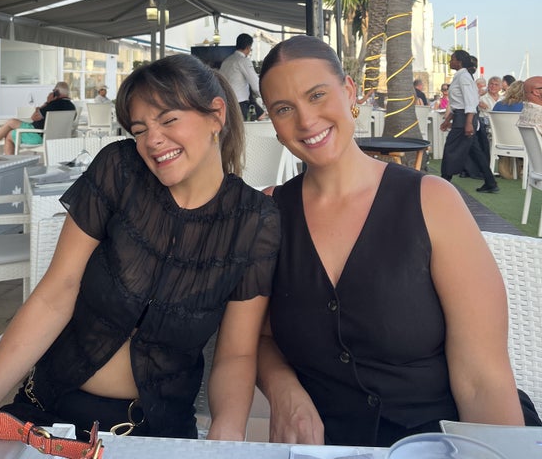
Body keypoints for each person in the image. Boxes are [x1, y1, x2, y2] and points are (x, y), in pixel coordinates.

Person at [0, 55, 280, 440]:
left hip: (153, 432)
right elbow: (56, 293)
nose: (152, 140)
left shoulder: (254, 220)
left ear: (216, 115)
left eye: (168, 120)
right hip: (48, 409)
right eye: (140, 129)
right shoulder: (121, 169)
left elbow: (236, 354)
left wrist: (224, 439)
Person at [255, 35, 532, 449]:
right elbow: (257, 338)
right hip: (331, 446)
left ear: (350, 91)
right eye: (283, 108)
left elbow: (483, 380)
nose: (306, 120)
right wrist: (283, 390)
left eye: (317, 95)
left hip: (447, 441)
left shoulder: (432, 201)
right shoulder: (269, 214)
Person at [440, 50, 499, 193]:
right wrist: (448, 119)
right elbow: (459, 103)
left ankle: (443, 182)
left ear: (459, 61)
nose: (450, 61)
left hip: (465, 119)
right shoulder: (461, 76)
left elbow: (470, 101)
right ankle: (490, 182)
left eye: (452, 59)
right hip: (461, 117)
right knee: (475, 151)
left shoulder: (464, 77)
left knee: (450, 149)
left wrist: (468, 122)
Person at [0, 81, 76, 155]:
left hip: (38, 136)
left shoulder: (52, 105)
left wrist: (47, 102)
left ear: (56, 93)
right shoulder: (72, 107)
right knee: (11, 126)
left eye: (53, 91)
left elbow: (34, 117)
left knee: (10, 127)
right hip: (56, 138)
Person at [219, 33, 266, 121]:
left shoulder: (226, 61)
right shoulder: (243, 61)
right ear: (248, 47)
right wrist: (265, 97)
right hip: (240, 104)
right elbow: (256, 85)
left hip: (226, 103)